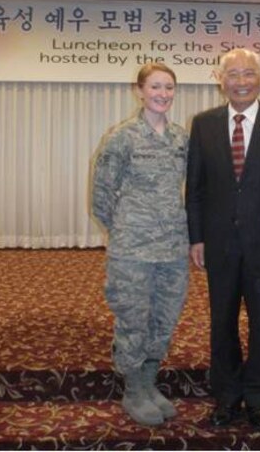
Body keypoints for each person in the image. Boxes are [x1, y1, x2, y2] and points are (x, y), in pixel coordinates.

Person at [186, 48, 260, 429]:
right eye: (233, 74)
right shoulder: (203, 123)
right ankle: (227, 395)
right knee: (221, 321)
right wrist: (197, 237)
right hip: (219, 243)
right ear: (220, 80)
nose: (241, 81)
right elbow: (196, 188)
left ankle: (257, 395)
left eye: (248, 73)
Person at [91, 63, 189, 426]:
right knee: (134, 320)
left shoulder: (181, 138)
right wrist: (124, 230)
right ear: (140, 91)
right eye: (156, 87)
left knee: (164, 320)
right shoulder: (123, 137)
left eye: (169, 88)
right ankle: (133, 390)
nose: (163, 94)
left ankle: (149, 382)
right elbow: (101, 194)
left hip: (172, 249)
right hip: (132, 251)